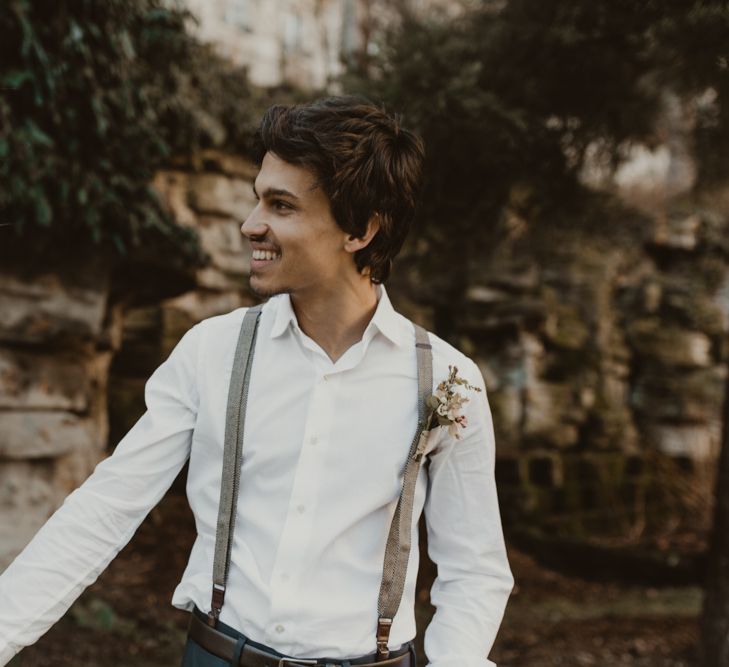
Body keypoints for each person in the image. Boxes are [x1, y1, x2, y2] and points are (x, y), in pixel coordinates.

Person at [0, 95, 513, 667]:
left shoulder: (446, 379)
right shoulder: (211, 351)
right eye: (256, 199)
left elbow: (475, 570)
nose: (251, 224)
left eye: (282, 205)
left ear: (360, 230)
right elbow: (104, 509)